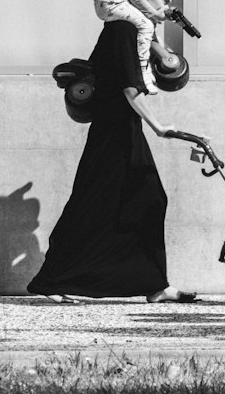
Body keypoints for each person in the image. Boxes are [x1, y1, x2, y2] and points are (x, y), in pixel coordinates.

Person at [26, 19, 202, 304]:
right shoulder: (122, 29)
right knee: (94, 202)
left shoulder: (133, 30)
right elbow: (129, 89)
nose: (165, 8)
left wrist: (156, 42)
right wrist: (159, 126)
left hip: (123, 126)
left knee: (144, 201)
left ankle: (154, 284)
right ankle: (52, 279)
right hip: (114, 128)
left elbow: (163, 66)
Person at [93, 0, 193, 93]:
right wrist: (154, 14)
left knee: (144, 23)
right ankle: (143, 74)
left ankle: (143, 70)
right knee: (145, 25)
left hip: (105, 0)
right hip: (112, 1)